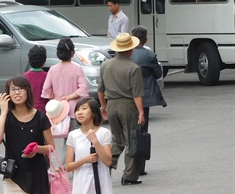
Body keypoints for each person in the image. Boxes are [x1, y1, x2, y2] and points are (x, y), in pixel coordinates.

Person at [97, 33, 145, 185]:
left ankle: (105, 166)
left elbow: (100, 89)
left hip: (111, 104)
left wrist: (103, 106)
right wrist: (141, 112)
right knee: (131, 139)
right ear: (131, 50)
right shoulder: (134, 68)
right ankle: (129, 176)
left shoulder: (105, 65)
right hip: (127, 105)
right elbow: (137, 94)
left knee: (117, 140)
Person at [41, 37, 88, 159]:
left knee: (67, 140)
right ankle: (66, 166)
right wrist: (70, 96)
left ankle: (65, 166)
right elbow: (83, 89)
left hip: (58, 111)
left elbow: (45, 90)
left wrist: (54, 99)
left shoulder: (52, 69)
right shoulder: (77, 68)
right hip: (73, 110)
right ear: (72, 53)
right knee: (74, 139)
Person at [129, 26, 167, 176]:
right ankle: (140, 166)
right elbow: (158, 74)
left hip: (128, 96)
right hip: (144, 97)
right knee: (142, 132)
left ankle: (130, 166)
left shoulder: (126, 54)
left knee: (129, 132)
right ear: (145, 40)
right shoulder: (149, 55)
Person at [23, 44, 48, 112]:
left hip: (28, 109)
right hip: (44, 110)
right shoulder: (47, 76)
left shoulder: (24, 77)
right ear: (44, 61)